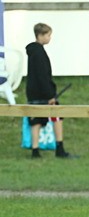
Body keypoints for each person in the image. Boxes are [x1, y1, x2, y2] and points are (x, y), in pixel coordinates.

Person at [24, 23, 77, 159]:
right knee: (57, 117)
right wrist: (50, 95)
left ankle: (35, 150)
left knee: (35, 121)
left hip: (33, 92)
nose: (49, 38)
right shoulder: (39, 52)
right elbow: (43, 76)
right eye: (48, 35)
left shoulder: (32, 52)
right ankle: (60, 148)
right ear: (40, 35)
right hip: (44, 94)